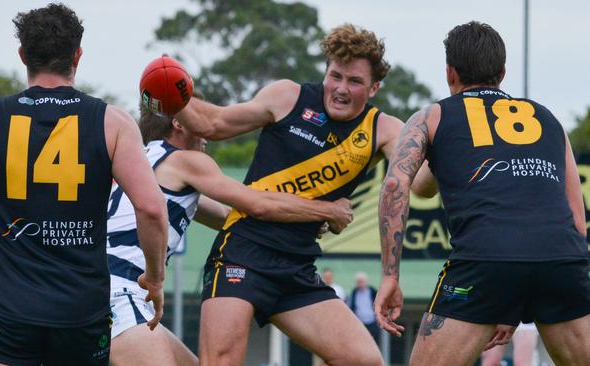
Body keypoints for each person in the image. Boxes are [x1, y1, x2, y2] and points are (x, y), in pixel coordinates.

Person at [174, 23, 434, 366]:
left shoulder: (382, 128)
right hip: (242, 253)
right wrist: (169, 93)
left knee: (365, 361)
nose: (341, 89)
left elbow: (421, 185)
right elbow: (213, 124)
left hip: (296, 268)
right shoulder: (287, 96)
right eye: (335, 76)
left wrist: (451, 140)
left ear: (373, 88)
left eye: (354, 81)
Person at [0, 4, 169, 365]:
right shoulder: (113, 122)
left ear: (22, 55)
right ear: (77, 55)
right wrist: (155, 278)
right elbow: (153, 209)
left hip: (4, 309)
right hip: (81, 314)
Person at [375, 21, 590, 366]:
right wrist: (518, 294)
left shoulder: (432, 115)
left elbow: (396, 185)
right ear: (502, 73)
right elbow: (578, 221)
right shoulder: (548, 120)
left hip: (484, 260)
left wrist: (390, 276)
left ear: (449, 73)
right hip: (562, 258)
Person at [107, 95, 353, 366]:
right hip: (121, 288)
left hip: (106, 285)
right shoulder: (185, 161)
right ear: (179, 122)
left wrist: (301, 219)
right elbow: (256, 203)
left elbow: (231, 217)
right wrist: (329, 210)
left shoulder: (143, 160)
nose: (206, 130)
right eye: (197, 115)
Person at [347, 272, 379, 342]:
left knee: (372, 342)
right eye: (359, 282)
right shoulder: (354, 293)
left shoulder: (372, 291)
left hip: (372, 322)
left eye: (362, 281)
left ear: (366, 282)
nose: (360, 284)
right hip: (359, 323)